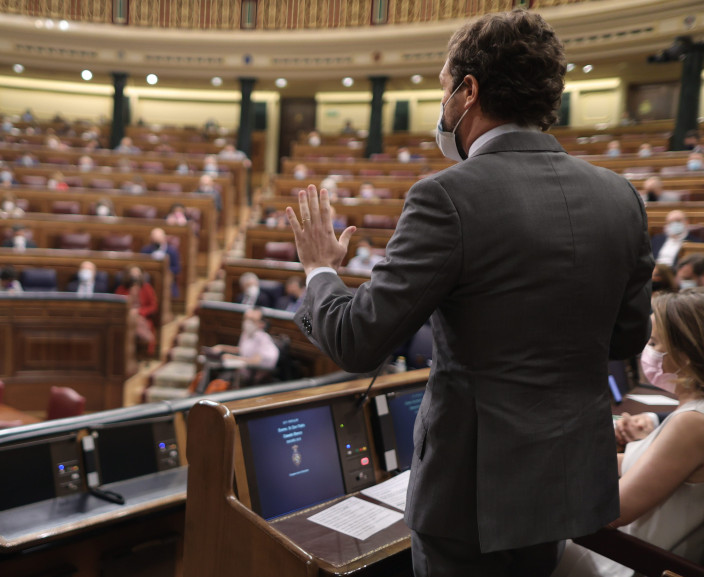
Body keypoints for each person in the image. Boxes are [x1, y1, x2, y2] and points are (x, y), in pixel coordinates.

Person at [285, 10, 652, 576]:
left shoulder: (447, 197)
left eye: (442, 88)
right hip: (566, 483)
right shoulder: (619, 196)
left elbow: (358, 342)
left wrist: (318, 273)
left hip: (469, 498)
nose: (442, 105)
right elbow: (628, 336)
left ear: (468, 91)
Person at [552, 290, 704, 577]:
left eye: (655, 342)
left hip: (631, 562)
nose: (646, 350)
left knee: (507, 542)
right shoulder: (692, 412)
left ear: (684, 357)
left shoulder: (693, 422)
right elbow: (642, 467)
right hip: (629, 552)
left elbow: (613, 512)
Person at [209, 307, 281, 383]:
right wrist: (221, 347)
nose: (247, 322)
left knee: (221, 381)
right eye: (246, 319)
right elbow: (241, 349)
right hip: (240, 374)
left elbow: (255, 361)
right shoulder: (246, 334)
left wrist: (232, 358)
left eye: (252, 320)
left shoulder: (263, 339)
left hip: (254, 378)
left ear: (261, 324)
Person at [115, 266, 157, 356]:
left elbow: (153, 306)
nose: (135, 276)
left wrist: (139, 311)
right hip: (125, 317)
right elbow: (117, 305)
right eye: (132, 273)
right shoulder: (121, 289)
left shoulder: (146, 288)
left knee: (135, 321)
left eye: (137, 273)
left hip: (142, 316)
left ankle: (133, 352)